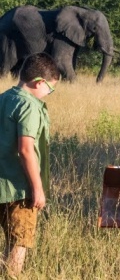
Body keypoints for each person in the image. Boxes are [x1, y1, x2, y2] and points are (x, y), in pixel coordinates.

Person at [0, 52, 60, 277]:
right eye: (50, 89)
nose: (49, 94)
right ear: (39, 82)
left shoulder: (4, 98)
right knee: (18, 245)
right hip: (19, 189)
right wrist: (37, 189)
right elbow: (25, 149)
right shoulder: (30, 105)